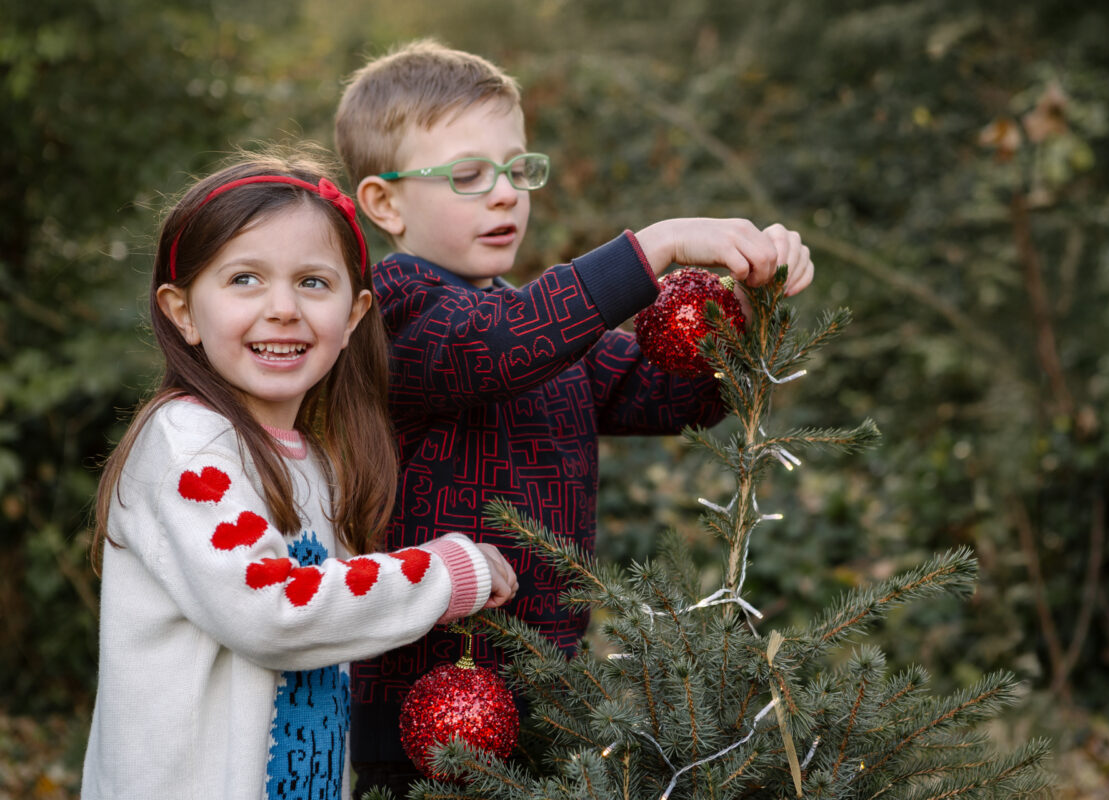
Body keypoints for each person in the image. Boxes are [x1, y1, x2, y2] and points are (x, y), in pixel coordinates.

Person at [334, 39, 814, 796]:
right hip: (423, 721)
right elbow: (499, 348)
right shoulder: (390, 313)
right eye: (468, 175)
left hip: (553, 705)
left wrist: (752, 309)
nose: (505, 194)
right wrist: (655, 247)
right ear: (385, 202)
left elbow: (671, 399)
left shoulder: (536, 328)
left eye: (519, 168)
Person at [80, 148, 518, 800]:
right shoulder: (188, 445)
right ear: (181, 311)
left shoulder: (317, 453)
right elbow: (273, 607)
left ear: (354, 315)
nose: (283, 307)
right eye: (245, 279)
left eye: (313, 282)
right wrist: (446, 573)